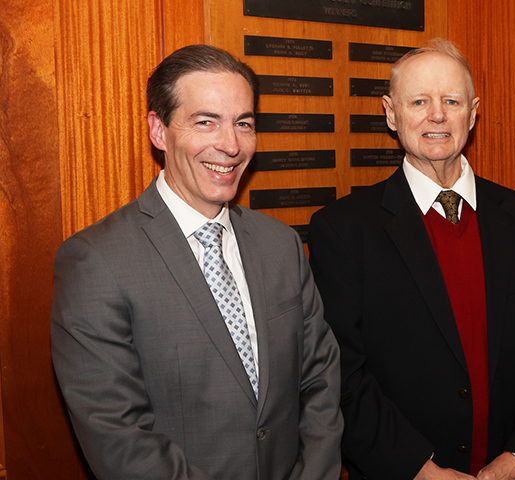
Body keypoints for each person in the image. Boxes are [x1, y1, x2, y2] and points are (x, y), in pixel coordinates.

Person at [50, 44, 343, 480]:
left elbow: (320, 379)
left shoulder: (280, 244)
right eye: (205, 121)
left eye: (243, 123)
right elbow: (119, 438)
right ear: (159, 130)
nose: (229, 144)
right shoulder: (96, 262)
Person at [308, 38, 515, 480]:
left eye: (451, 101)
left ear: (472, 113)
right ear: (391, 113)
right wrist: (420, 470)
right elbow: (341, 373)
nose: (437, 115)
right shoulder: (344, 230)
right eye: (419, 101)